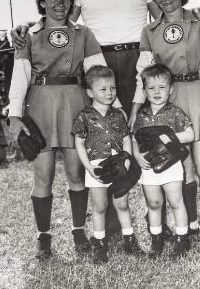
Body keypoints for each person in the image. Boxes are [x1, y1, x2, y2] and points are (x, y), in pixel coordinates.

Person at [10, 0, 200, 237]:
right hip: (98, 64)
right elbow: (62, 25)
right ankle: (114, 225)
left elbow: (166, 16)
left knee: (151, 133)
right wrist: (27, 30)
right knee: (104, 140)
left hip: (138, 57)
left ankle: (168, 217)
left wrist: (195, 14)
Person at [8, 0, 112, 259]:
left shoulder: (83, 33)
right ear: (42, 2)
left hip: (74, 105)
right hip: (40, 106)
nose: (59, 4)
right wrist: (15, 115)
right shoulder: (28, 35)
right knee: (43, 175)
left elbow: (98, 73)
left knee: (77, 173)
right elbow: (20, 78)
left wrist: (108, 107)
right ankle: (44, 238)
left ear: (71, 3)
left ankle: (79, 231)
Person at [130, 0, 200, 245]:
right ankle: (191, 225)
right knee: (180, 166)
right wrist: (137, 107)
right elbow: (143, 73)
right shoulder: (149, 30)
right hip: (169, 100)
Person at [72, 65, 144, 263]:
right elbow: (79, 142)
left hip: (119, 166)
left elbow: (127, 138)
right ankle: (100, 244)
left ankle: (129, 240)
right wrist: (88, 167)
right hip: (96, 167)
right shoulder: (84, 116)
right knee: (100, 205)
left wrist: (127, 159)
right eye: (103, 89)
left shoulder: (119, 114)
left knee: (122, 203)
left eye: (112, 88)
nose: (109, 92)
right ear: (90, 92)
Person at [132, 64, 195, 258]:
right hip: (149, 165)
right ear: (144, 91)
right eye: (151, 88)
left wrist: (171, 137)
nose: (157, 92)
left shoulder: (175, 112)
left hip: (171, 164)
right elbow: (134, 138)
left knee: (176, 201)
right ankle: (156, 240)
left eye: (162, 87)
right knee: (154, 202)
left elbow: (191, 134)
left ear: (171, 89)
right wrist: (137, 155)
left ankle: (182, 239)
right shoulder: (141, 114)